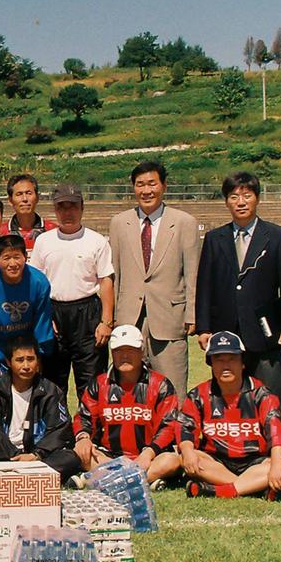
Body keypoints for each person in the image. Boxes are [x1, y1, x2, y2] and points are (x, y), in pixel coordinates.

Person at [195, 171, 281, 411]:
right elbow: (205, 286)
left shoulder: (278, 237)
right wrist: (204, 327)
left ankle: (279, 447)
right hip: (226, 334)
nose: (241, 202)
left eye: (247, 195)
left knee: (272, 400)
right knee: (227, 400)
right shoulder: (215, 239)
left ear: (257, 198)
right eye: (234, 196)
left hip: (266, 334)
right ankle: (231, 446)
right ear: (226, 201)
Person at [108, 161, 200, 399]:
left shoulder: (184, 222)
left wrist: (192, 314)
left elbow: (192, 273)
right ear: (133, 188)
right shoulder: (119, 223)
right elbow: (115, 273)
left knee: (173, 389)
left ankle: (175, 436)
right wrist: (112, 317)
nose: (146, 190)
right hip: (129, 317)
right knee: (128, 389)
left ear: (164, 186)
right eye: (140, 185)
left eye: (152, 183)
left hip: (170, 318)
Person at [179, 331, 281, 500]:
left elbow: (277, 436)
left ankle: (222, 491)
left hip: (255, 461)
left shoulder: (262, 395)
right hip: (217, 461)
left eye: (232, 358)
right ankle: (255, 487)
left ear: (242, 363)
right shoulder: (198, 394)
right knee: (186, 456)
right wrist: (188, 452)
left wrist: (277, 467)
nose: (226, 365)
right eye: (219, 359)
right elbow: (186, 428)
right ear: (210, 363)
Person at [30, 184, 114, 400]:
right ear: (55, 210)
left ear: (82, 207)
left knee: (91, 382)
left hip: (87, 313)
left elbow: (106, 280)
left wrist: (106, 321)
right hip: (54, 313)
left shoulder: (96, 241)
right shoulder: (44, 241)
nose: (67, 212)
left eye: (73, 206)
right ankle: (55, 431)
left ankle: (90, 431)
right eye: (62, 207)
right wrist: (44, 317)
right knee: (52, 382)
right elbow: (36, 284)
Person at [72, 325, 182, 489]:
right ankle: (143, 480)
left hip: (149, 456)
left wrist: (148, 453)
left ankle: (106, 481)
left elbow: (169, 425)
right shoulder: (99, 384)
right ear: (111, 353)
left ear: (141, 351)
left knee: (172, 461)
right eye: (118, 351)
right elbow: (84, 417)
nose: (124, 356)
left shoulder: (161, 385)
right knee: (82, 454)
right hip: (108, 457)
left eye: (130, 350)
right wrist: (83, 438)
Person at [0, 335, 80, 481]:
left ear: (38, 362)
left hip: (36, 455)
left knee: (70, 458)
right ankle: (37, 477)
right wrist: (14, 455)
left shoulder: (50, 391)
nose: (26, 366)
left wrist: (36, 455)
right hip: (4, 455)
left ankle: (18, 476)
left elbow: (59, 429)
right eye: (20, 360)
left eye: (31, 359)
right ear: (8, 362)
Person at [0, 235, 54, 394]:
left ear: (25, 257)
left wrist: (40, 356)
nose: (12, 264)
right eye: (6, 258)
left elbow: (42, 322)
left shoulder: (39, 282)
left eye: (17, 257)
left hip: (27, 349)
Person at [0, 173, 57, 250]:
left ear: (37, 198)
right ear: (10, 200)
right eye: (19, 194)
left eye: (29, 193)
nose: (25, 199)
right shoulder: (0, 233)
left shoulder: (53, 231)